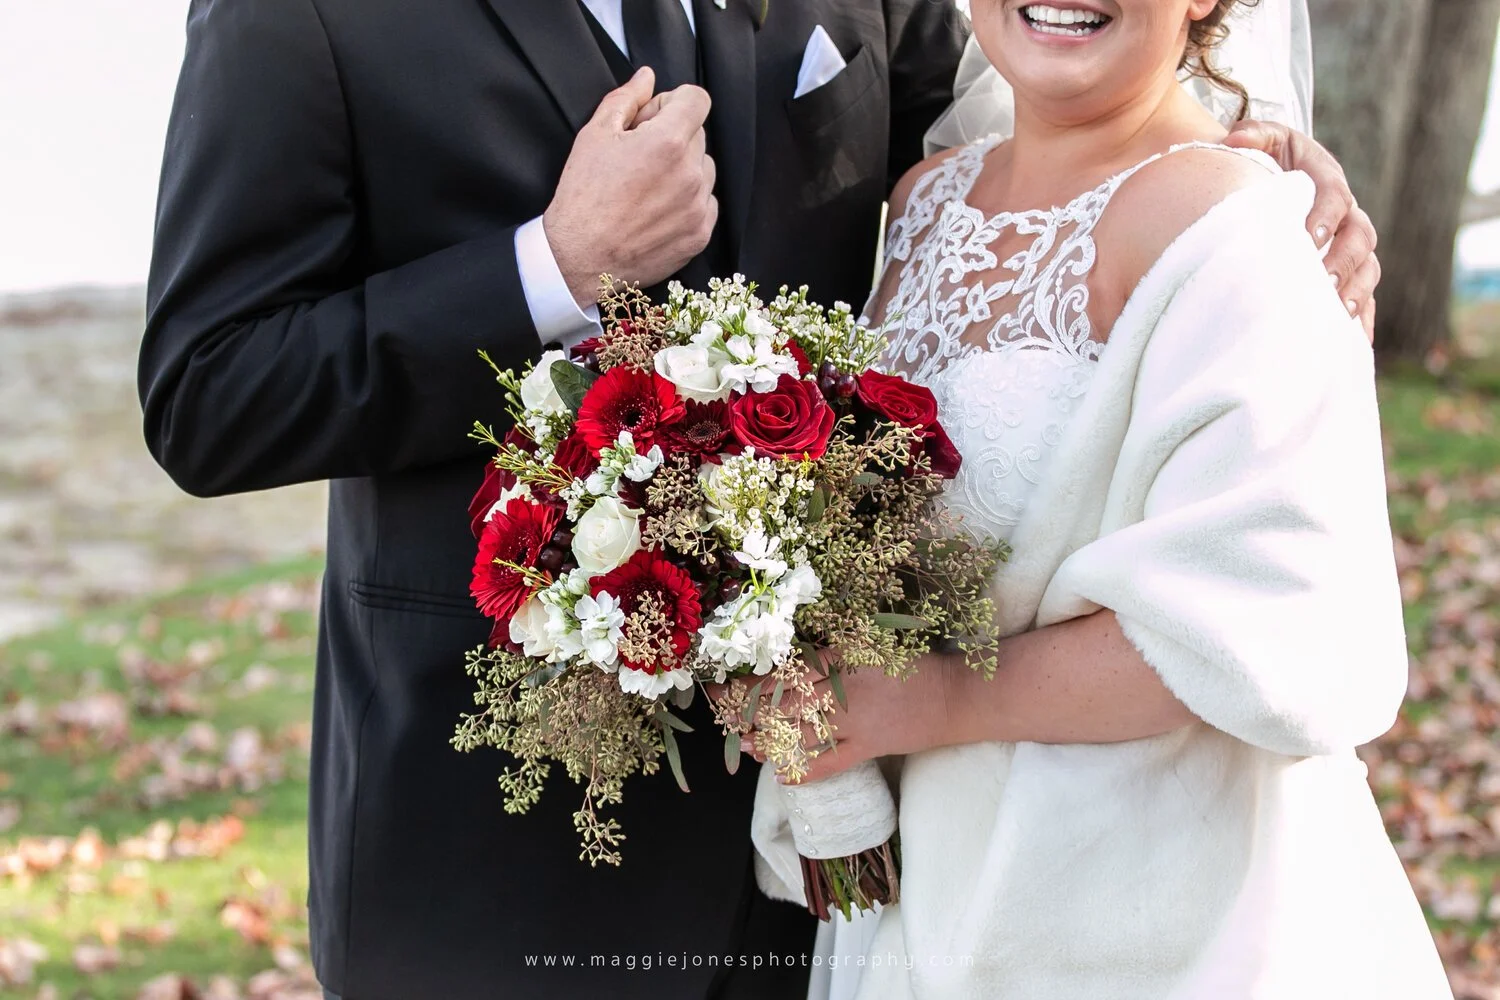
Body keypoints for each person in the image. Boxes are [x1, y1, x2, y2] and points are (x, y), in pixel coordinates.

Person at [138, 0, 1376, 997]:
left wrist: (1251, 152)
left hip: (855, 862)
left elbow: (1030, 130)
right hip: (498, 854)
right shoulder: (299, 14)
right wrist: (551, 271)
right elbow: (209, 390)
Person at [748, 1, 1450, 998]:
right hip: (933, 899)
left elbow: (1277, 621)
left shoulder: (1244, 231)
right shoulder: (920, 207)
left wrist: (931, 699)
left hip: (1154, 913)